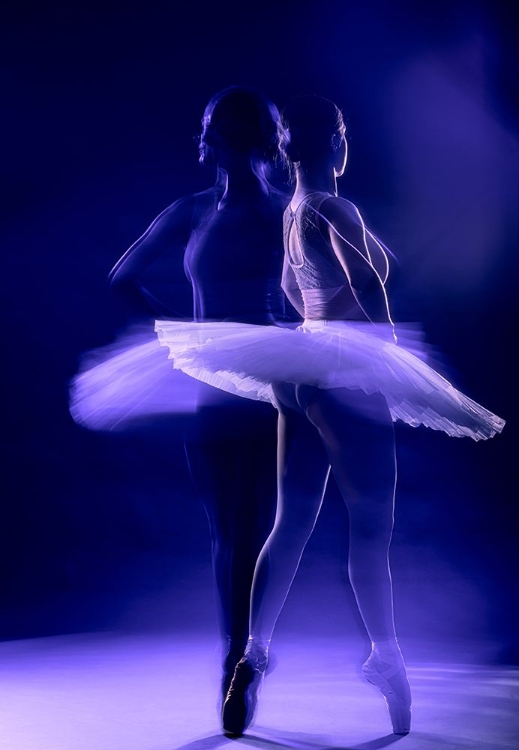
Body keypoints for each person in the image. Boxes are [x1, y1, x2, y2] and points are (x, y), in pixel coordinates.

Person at [154, 94, 505, 737]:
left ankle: (252, 656)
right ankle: (386, 658)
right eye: (344, 136)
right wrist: (385, 344)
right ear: (336, 144)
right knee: (371, 527)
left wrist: (339, 302)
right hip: (346, 373)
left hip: (301, 371)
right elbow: (367, 281)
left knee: (289, 524)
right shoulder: (334, 207)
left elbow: (299, 292)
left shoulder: (295, 211)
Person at [69, 86, 296, 709]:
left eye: (215, 132)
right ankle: (240, 657)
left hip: (252, 381)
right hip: (237, 376)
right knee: (241, 527)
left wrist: (200, 333)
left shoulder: (246, 212)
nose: (210, 141)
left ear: (226, 139)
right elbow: (123, 278)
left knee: (240, 527)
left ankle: (237, 658)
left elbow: (123, 279)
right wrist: (184, 333)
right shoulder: (232, 210)